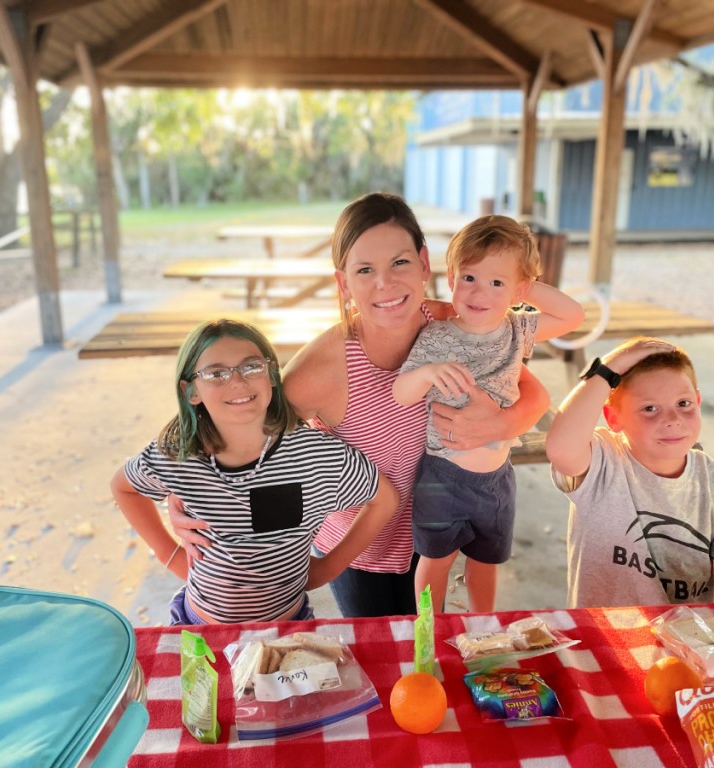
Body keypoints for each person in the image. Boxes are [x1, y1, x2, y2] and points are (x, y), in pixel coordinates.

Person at [168, 193, 549, 617]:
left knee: (429, 652)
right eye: (365, 270)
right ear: (344, 282)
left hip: (434, 533)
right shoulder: (326, 366)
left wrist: (499, 424)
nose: (385, 284)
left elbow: (535, 393)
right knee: (384, 663)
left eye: (400, 263)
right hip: (361, 551)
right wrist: (183, 496)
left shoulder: (451, 322)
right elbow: (236, 426)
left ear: (425, 264)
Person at [111, 318, 397, 625]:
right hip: (199, 627)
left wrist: (329, 567)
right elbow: (123, 487)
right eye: (216, 373)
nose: (237, 382)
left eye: (251, 367)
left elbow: (384, 499)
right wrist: (168, 553)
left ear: (272, 374)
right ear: (191, 391)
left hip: (288, 626)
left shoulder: (316, 454)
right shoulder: (176, 454)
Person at [392, 215, 584, 613]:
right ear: (452, 278)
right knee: (435, 559)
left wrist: (524, 285)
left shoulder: (518, 328)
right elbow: (401, 393)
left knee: (486, 559)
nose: (480, 292)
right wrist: (426, 372)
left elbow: (573, 316)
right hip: (443, 473)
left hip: (497, 477)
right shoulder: (438, 335)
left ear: (518, 291)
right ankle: (430, 624)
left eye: (497, 283)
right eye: (469, 278)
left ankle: (483, 625)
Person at [544, 336, 714, 610]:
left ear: (698, 402)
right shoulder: (601, 461)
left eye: (684, 404)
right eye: (650, 408)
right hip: (609, 634)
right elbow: (560, 448)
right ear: (613, 418)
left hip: (692, 639)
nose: (672, 420)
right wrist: (608, 368)